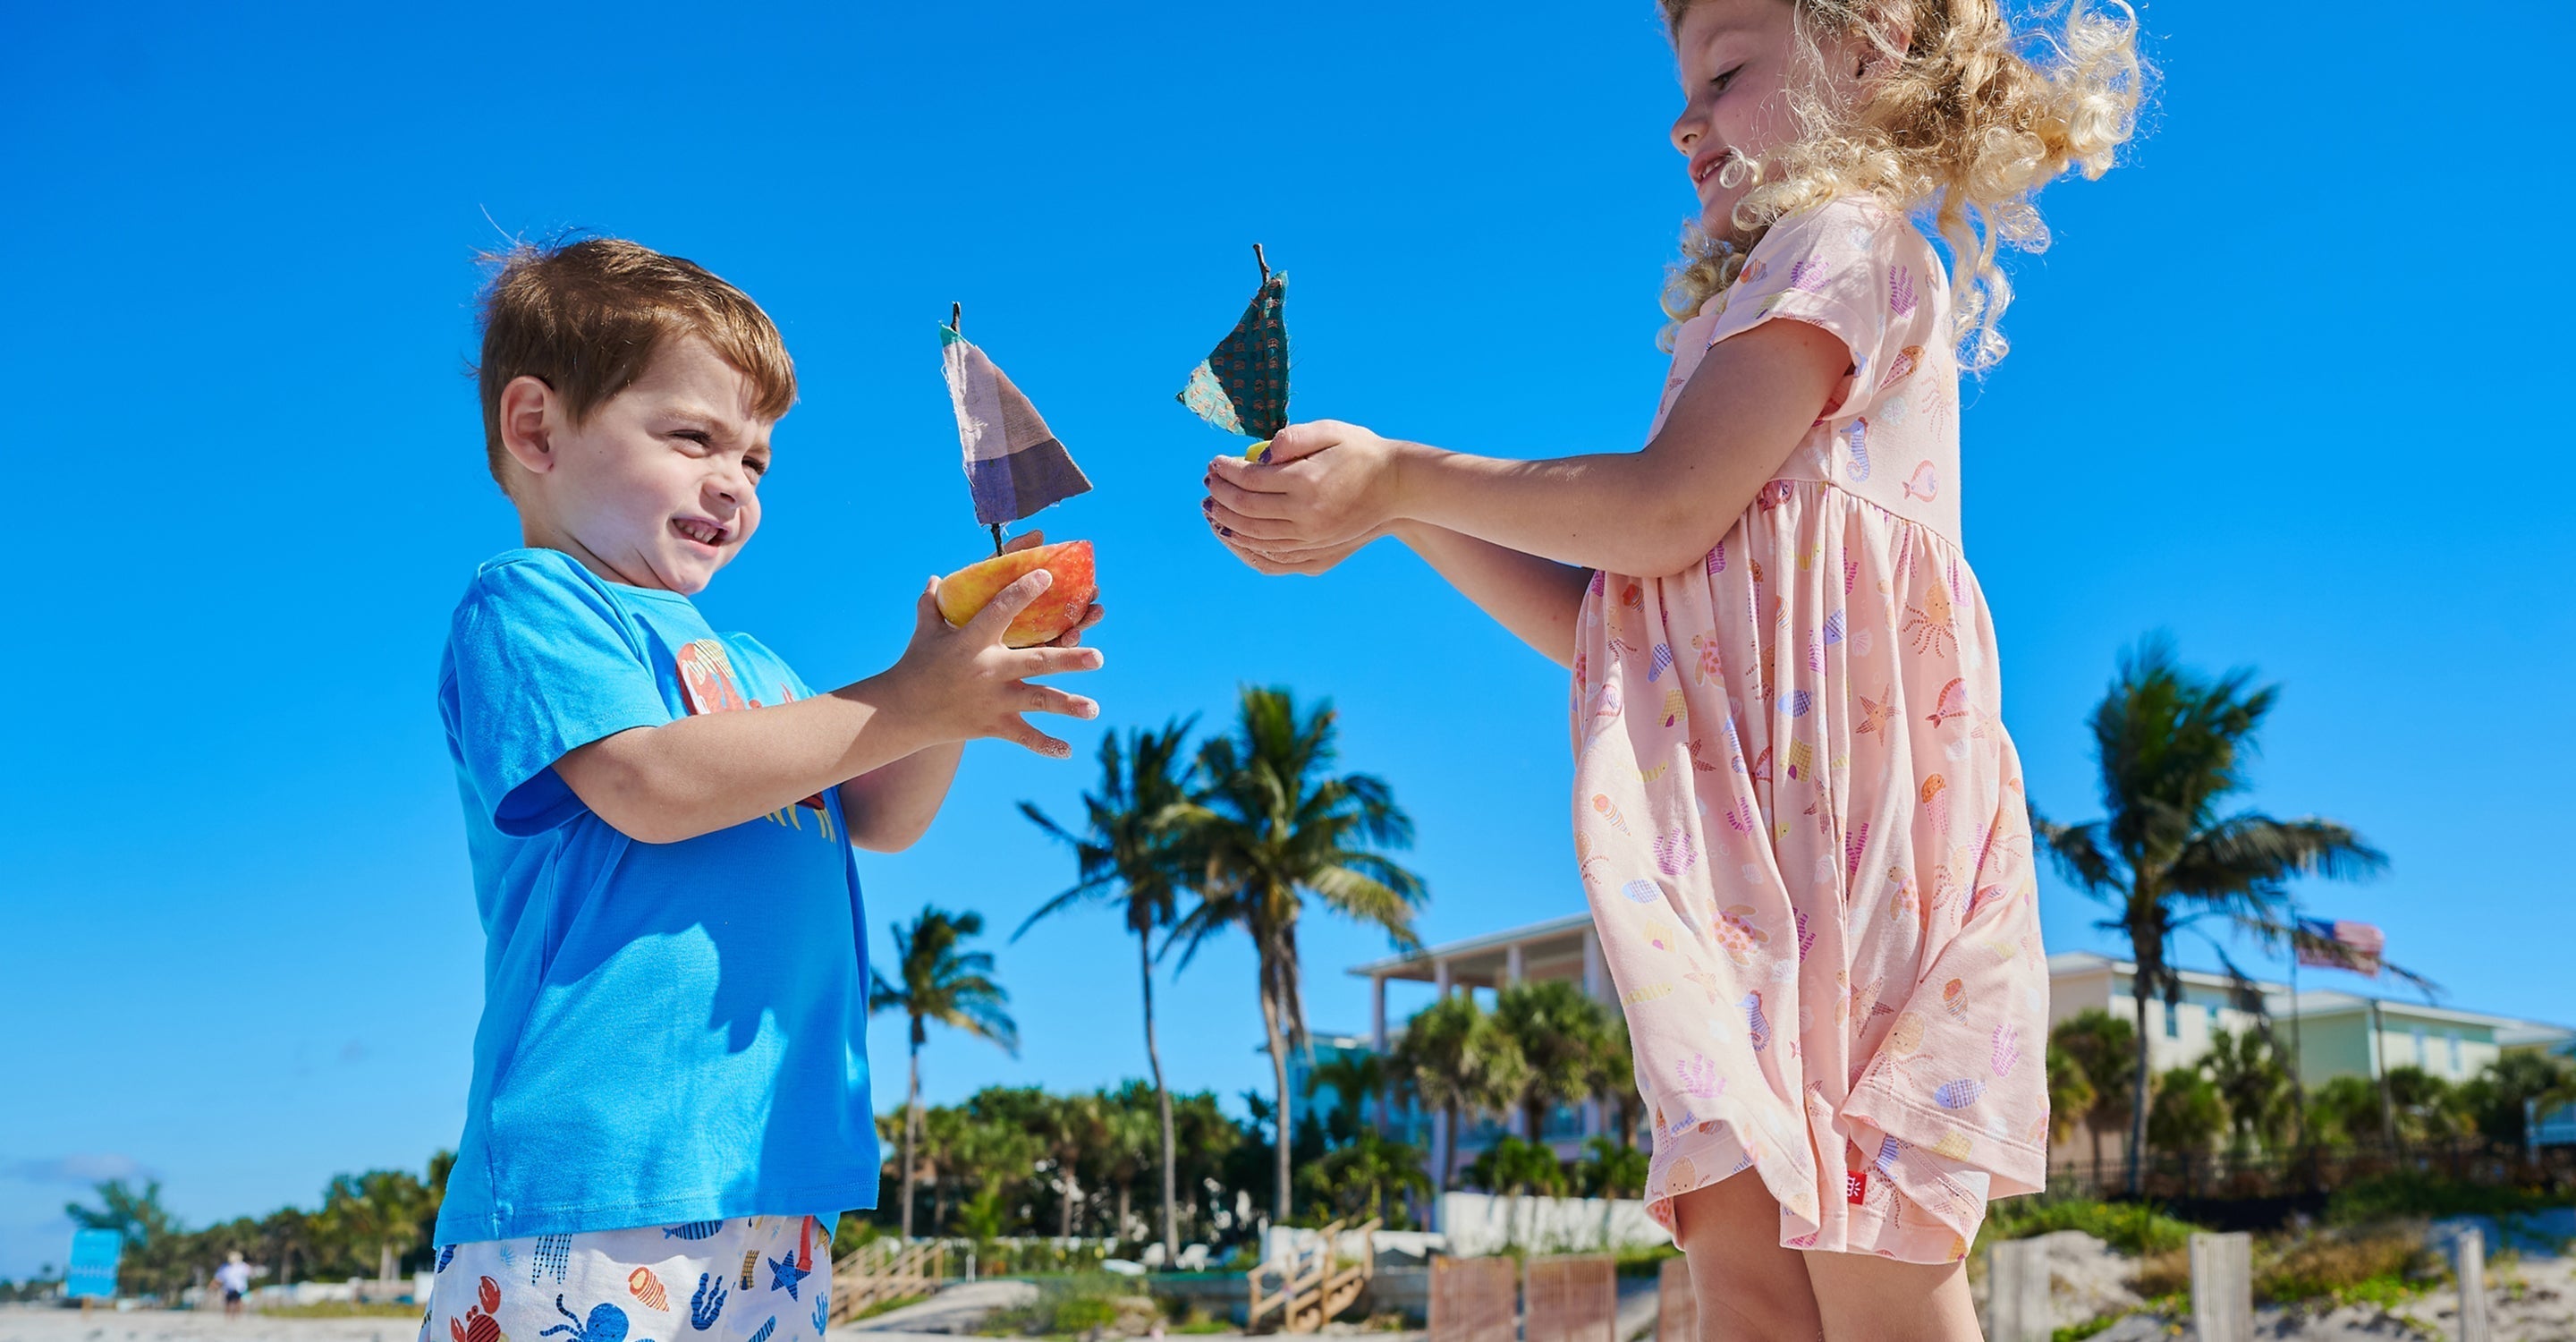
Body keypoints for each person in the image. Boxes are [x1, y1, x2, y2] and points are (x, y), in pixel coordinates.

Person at [1199, 1, 2140, 1336]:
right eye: (1683, 82)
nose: (1682, 116)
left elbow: (1660, 509)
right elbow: (1623, 623)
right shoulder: (1756, 308)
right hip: (1746, 878)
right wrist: (1400, 515)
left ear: (1865, 50)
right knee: (1745, 1282)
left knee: (1874, 1270)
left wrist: (1408, 472)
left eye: (1727, 67)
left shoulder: (1850, 243)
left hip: (1852, 857)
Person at [422, 238, 1104, 1342]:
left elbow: (883, 818)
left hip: (774, 1174)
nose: (733, 482)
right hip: (596, 1176)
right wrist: (911, 698)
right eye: (693, 437)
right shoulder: (532, 602)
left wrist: (952, 693)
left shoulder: (762, 675)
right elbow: (646, 782)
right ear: (536, 428)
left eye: (758, 461)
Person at [215, 1252, 250, 1319]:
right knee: (228, 1302)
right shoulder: (225, 1266)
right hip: (228, 1287)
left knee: (239, 1302)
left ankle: (237, 1317)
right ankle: (229, 1317)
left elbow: (249, 1274)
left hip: (240, 1287)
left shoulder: (243, 1266)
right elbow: (219, 1277)